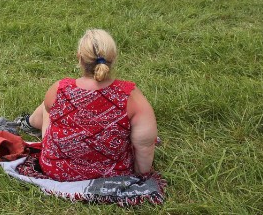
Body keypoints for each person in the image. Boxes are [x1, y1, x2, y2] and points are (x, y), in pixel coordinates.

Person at [17, 29, 158, 181]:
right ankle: (28, 123)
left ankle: (28, 123)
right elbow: (145, 145)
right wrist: (141, 177)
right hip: (113, 176)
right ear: (113, 58)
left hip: (56, 171)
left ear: (79, 57)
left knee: (48, 107)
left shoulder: (61, 89)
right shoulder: (131, 96)